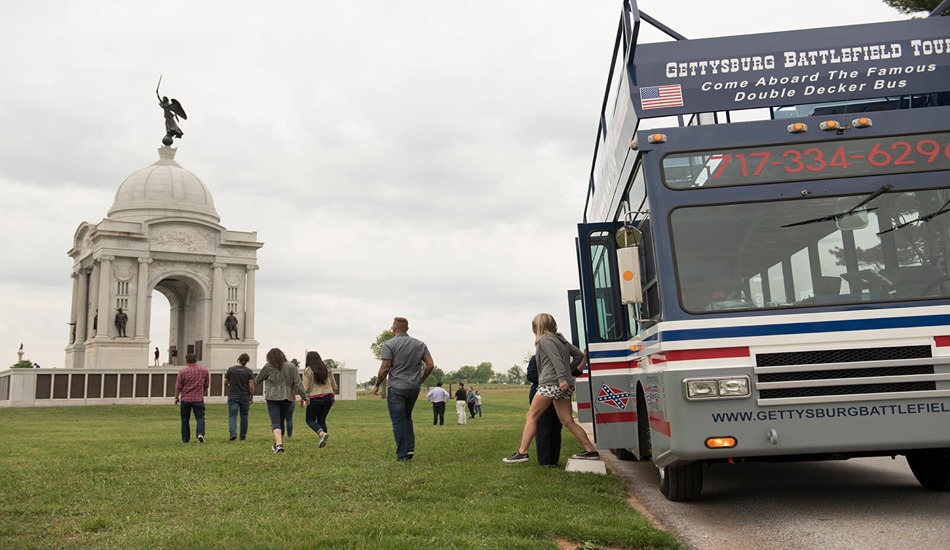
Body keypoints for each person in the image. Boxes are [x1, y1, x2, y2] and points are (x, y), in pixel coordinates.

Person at [503, 313, 597, 464]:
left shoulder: (544, 340)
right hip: (563, 384)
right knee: (567, 420)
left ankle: (522, 452)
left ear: (537, 327)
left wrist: (561, 378)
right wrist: (567, 374)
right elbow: (579, 355)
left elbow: (556, 359)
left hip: (550, 383)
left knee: (532, 416)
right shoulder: (561, 340)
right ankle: (590, 450)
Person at [371, 317, 435, 462]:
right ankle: (410, 448)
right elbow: (430, 364)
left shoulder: (389, 344)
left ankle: (402, 455)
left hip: (397, 387)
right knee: (407, 416)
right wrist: (421, 379)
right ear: (407, 329)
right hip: (413, 387)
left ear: (393, 329)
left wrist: (377, 384)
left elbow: (385, 368)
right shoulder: (419, 344)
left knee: (398, 421)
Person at [256, 348, 309, 453]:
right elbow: (298, 383)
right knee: (281, 421)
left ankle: (279, 444)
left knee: (275, 421)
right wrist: (304, 397)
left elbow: (258, 380)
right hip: (287, 397)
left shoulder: (268, 366)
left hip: (272, 397)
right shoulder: (291, 366)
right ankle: (278, 444)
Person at [527, 355, 562, 466]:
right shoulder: (536, 358)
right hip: (541, 395)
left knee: (556, 429)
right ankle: (544, 461)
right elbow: (531, 376)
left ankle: (554, 460)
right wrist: (549, 378)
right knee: (543, 429)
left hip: (557, 395)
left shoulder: (559, 358)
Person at [303, 350, 338, 447]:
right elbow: (334, 385)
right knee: (322, 420)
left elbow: (305, 387)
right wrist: (333, 395)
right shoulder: (327, 369)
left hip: (315, 398)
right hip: (328, 397)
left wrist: (303, 398)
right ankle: (324, 443)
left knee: (310, 420)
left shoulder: (308, 370)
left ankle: (321, 434)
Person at [174, 353, 209, 444]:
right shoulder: (204, 371)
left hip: (186, 399)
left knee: (185, 419)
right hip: (198, 399)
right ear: (196, 360)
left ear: (186, 361)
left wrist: (176, 397)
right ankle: (200, 433)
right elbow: (206, 385)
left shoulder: (183, 371)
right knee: (200, 417)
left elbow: (178, 386)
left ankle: (185, 439)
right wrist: (202, 394)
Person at [224, 353, 255, 441]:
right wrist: (251, 397)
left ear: (238, 359)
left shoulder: (231, 369)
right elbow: (251, 386)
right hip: (244, 396)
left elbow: (225, 383)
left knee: (232, 415)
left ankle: (233, 433)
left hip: (233, 395)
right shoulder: (249, 371)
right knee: (244, 416)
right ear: (247, 361)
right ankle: (243, 436)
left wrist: (231, 384)